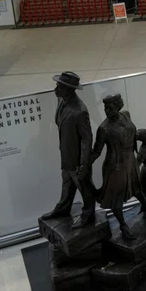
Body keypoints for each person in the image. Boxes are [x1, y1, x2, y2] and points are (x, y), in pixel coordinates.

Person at [90, 94, 146, 240]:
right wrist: (85, 164)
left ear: (118, 106)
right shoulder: (103, 129)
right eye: (105, 108)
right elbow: (96, 151)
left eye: (110, 108)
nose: (107, 111)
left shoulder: (126, 115)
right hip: (115, 166)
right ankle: (123, 225)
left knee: (136, 187)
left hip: (130, 160)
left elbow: (133, 134)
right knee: (117, 196)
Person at [40, 72, 96, 229]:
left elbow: (87, 139)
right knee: (67, 185)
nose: (56, 89)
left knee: (84, 187)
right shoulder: (62, 101)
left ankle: (88, 215)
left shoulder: (80, 111)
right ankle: (63, 209)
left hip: (78, 160)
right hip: (66, 155)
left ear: (69, 90)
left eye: (59, 86)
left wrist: (83, 164)